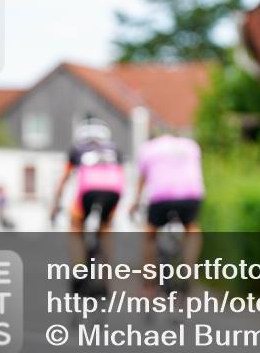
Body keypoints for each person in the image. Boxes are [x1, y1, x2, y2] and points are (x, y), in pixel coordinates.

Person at [130, 130, 205, 294]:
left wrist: (135, 202)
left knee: (149, 236)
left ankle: (149, 284)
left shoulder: (148, 148)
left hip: (161, 195)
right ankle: (188, 267)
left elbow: (142, 178)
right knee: (192, 230)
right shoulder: (191, 146)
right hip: (190, 194)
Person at [50, 118, 125, 252]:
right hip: (114, 189)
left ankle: (79, 262)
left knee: (76, 225)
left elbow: (64, 179)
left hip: (88, 189)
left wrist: (56, 203)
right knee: (106, 226)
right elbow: (122, 175)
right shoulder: (114, 150)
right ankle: (107, 264)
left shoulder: (77, 149)